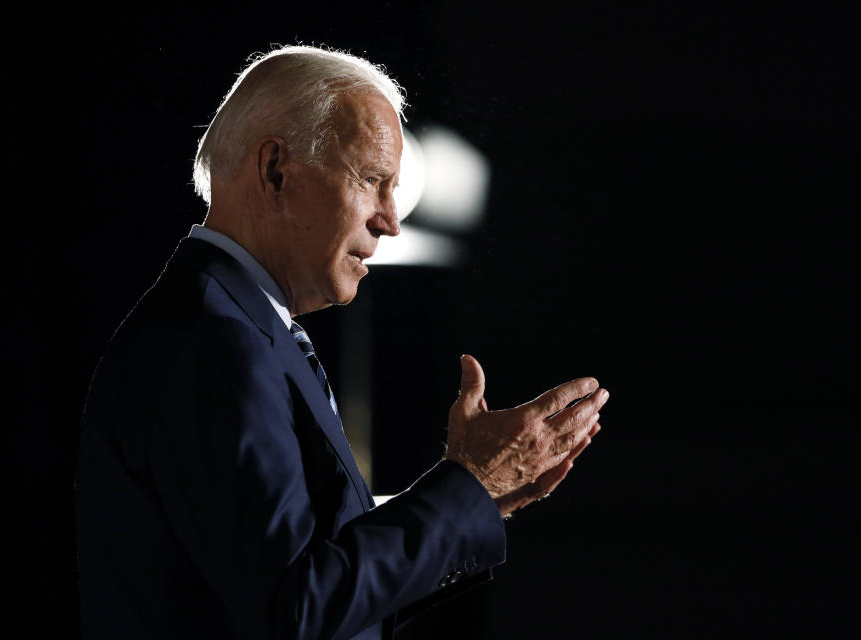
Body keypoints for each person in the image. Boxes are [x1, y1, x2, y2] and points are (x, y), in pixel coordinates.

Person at [75, 45, 609, 639]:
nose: (390, 220)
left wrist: (482, 501)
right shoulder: (215, 341)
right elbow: (296, 609)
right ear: (276, 171)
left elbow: (319, 589)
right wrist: (471, 486)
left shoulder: (238, 326)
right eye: (371, 179)